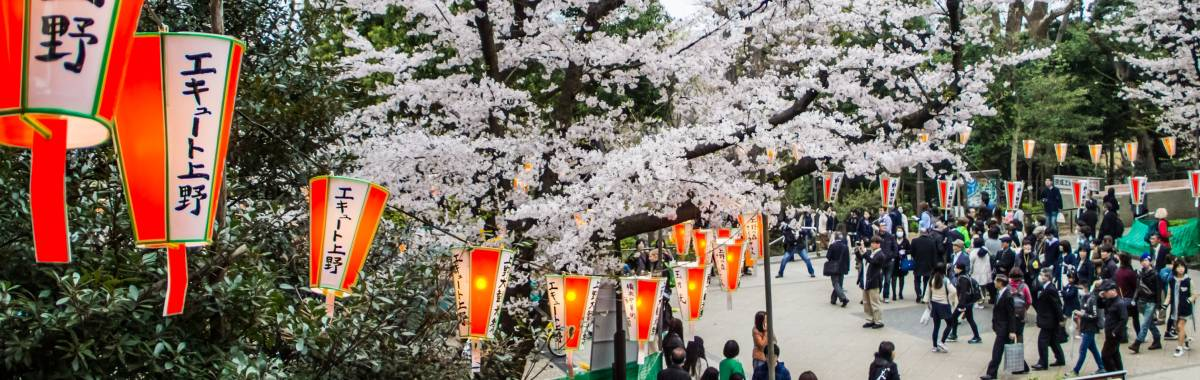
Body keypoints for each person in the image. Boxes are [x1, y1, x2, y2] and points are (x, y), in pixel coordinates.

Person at [982, 275, 1025, 379]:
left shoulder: (1007, 296)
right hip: (1000, 327)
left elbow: (1011, 315)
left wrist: (1012, 331)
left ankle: (991, 374)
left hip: (1004, 328)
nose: (994, 282)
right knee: (1002, 349)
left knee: (997, 351)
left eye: (996, 281)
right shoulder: (1000, 293)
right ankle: (1023, 367)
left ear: (1000, 283)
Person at [1032, 268, 1066, 370]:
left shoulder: (1050, 289)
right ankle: (1060, 359)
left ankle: (1043, 363)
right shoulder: (1046, 287)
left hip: (1049, 320)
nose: (1041, 277)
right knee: (1053, 341)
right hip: (1049, 319)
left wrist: (1061, 319)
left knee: (1042, 341)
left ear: (1048, 277)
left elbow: (1057, 305)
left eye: (1043, 275)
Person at [1130, 253, 1163, 354]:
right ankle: (1157, 339)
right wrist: (1134, 299)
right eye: (1142, 261)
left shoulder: (1155, 274)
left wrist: (1158, 305)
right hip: (1142, 301)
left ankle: (1137, 343)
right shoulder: (1140, 273)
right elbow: (1138, 288)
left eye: (1146, 260)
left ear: (1150, 261)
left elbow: (1158, 290)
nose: (1144, 262)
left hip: (1151, 302)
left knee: (1144, 323)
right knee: (1149, 323)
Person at [1071, 280, 1105, 376]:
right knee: (1093, 349)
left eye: (1081, 288)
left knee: (1083, 349)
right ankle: (1101, 366)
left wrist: (1082, 314)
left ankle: (1076, 370)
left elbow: (1094, 315)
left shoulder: (1093, 299)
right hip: (1086, 327)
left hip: (1090, 328)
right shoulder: (1088, 297)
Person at [1165, 259, 1194, 357]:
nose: (1181, 269)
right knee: (1177, 328)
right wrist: (1164, 305)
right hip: (1175, 309)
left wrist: (1188, 301)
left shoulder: (1189, 280)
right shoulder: (1172, 280)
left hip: (1185, 309)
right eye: (1178, 267)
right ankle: (1185, 339)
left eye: (1182, 266)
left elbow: (1194, 295)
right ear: (1175, 268)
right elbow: (1169, 294)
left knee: (1180, 326)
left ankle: (1179, 348)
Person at [948, 262, 982, 344]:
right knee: (970, 319)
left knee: (953, 317)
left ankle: (954, 334)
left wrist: (961, 305)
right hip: (969, 302)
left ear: (960, 269)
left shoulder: (962, 279)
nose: (954, 269)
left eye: (956, 268)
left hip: (965, 303)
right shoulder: (965, 276)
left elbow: (963, 293)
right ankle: (976, 336)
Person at [926, 263, 957, 352]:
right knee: (950, 324)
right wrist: (949, 298)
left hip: (934, 304)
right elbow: (954, 291)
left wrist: (928, 302)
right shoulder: (945, 280)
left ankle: (935, 346)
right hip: (944, 304)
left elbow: (928, 291)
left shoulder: (932, 279)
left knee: (936, 326)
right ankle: (942, 342)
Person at [1099, 280, 1128, 371]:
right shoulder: (1110, 301)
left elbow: (1124, 319)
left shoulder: (1120, 303)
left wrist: (1115, 331)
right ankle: (1120, 373)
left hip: (1114, 334)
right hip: (1110, 333)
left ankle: (1113, 374)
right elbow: (1100, 305)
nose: (1105, 294)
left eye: (1106, 292)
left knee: (1105, 355)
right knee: (1115, 354)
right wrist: (1100, 297)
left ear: (1113, 291)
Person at [859, 237, 888, 328]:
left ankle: (878, 321)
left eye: (874, 243)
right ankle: (870, 319)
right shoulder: (871, 253)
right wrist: (862, 249)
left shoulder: (880, 255)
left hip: (874, 280)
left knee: (874, 302)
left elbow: (872, 261)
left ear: (878, 244)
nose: (872, 244)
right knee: (866, 302)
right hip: (866, 281)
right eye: (871, 243)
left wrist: (864, 253)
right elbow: (863, 257)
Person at [910, 229, 938, 302]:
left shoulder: (914, 241)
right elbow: (934, 254)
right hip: (928, 264)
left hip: (917, 263)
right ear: (927, 233)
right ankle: (925, 295)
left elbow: (912, 252)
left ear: (920, 233)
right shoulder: (932, 242)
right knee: (926, 281)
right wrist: (934, 265)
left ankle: (918, 294)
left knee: (917, 280)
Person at [824, 232, 850, 307]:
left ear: (835, 238)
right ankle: (833, 299)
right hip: (842, 267)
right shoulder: (845, 247)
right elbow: (847, 259)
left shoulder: (832, 246)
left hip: (834, 267)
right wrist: (847, 268)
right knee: (839, 284)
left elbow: (828, 257)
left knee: (835, 283)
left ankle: (843, 298)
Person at [1115, 254, 1139, 334]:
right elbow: (1135, 286)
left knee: (1123, 318)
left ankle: (1123, 335)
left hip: (1120, 298)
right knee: (1135, 318)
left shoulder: (1117, 271)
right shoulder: (1130, 273)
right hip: (1130, 298)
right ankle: (1138, 334)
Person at [970, 238, 993, 307]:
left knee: (976, 287)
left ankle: (979, 299)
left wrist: (970, 272)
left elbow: (971, 263)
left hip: (976, 272)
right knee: (983, 286)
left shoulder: (973, 252)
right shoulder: (985, 250)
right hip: (986, 271)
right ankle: (983, 298)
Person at [890, 231, 910, 301]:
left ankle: (900, 293)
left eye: (900, 231)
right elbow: (890, 249)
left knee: (902, 278)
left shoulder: (906, 241)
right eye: (898, 230)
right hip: (895, 261)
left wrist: (905, 252)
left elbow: (910, 250)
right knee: (894, 278)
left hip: (903, 261)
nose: (899, 232)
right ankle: (894, 294)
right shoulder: (893, 240)